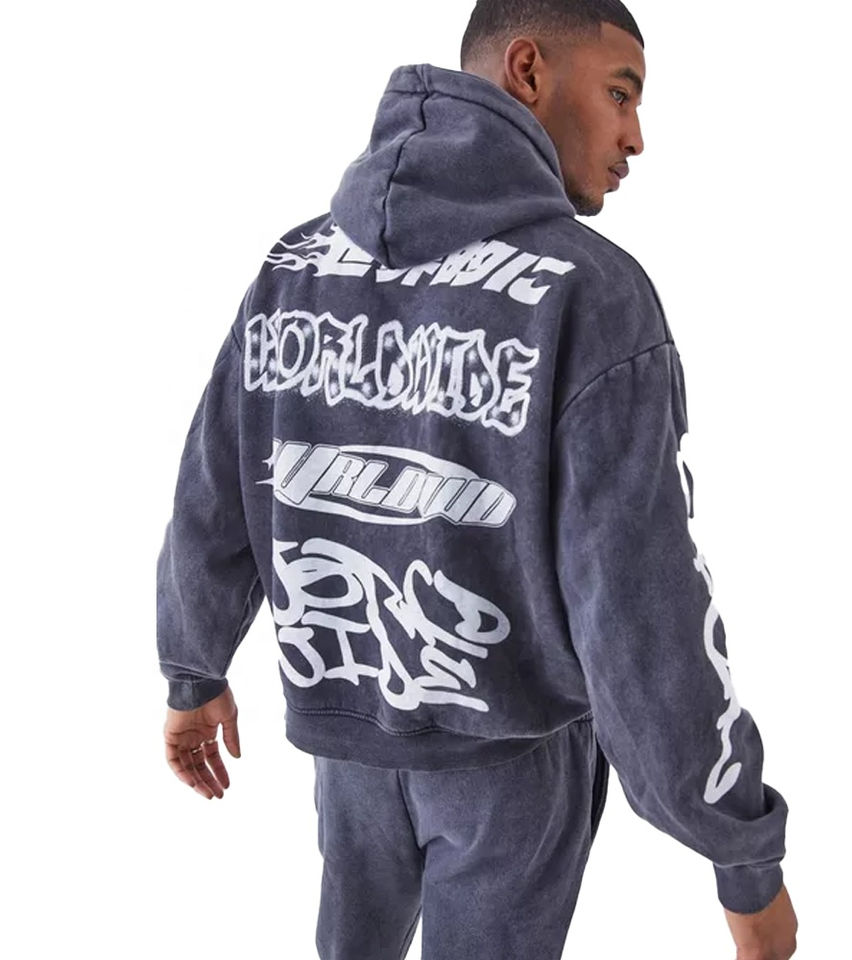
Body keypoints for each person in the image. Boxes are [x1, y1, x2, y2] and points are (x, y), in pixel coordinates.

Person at [156, 1, 798, 957]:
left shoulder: (296, 265)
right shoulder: (591, 292)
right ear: (528, 71)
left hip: (347, 742)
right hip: (513, 761)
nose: (636, 137)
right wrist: (741, 856)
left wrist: (193, 668)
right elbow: (639, 601)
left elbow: (215, 484)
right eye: (620, 93)